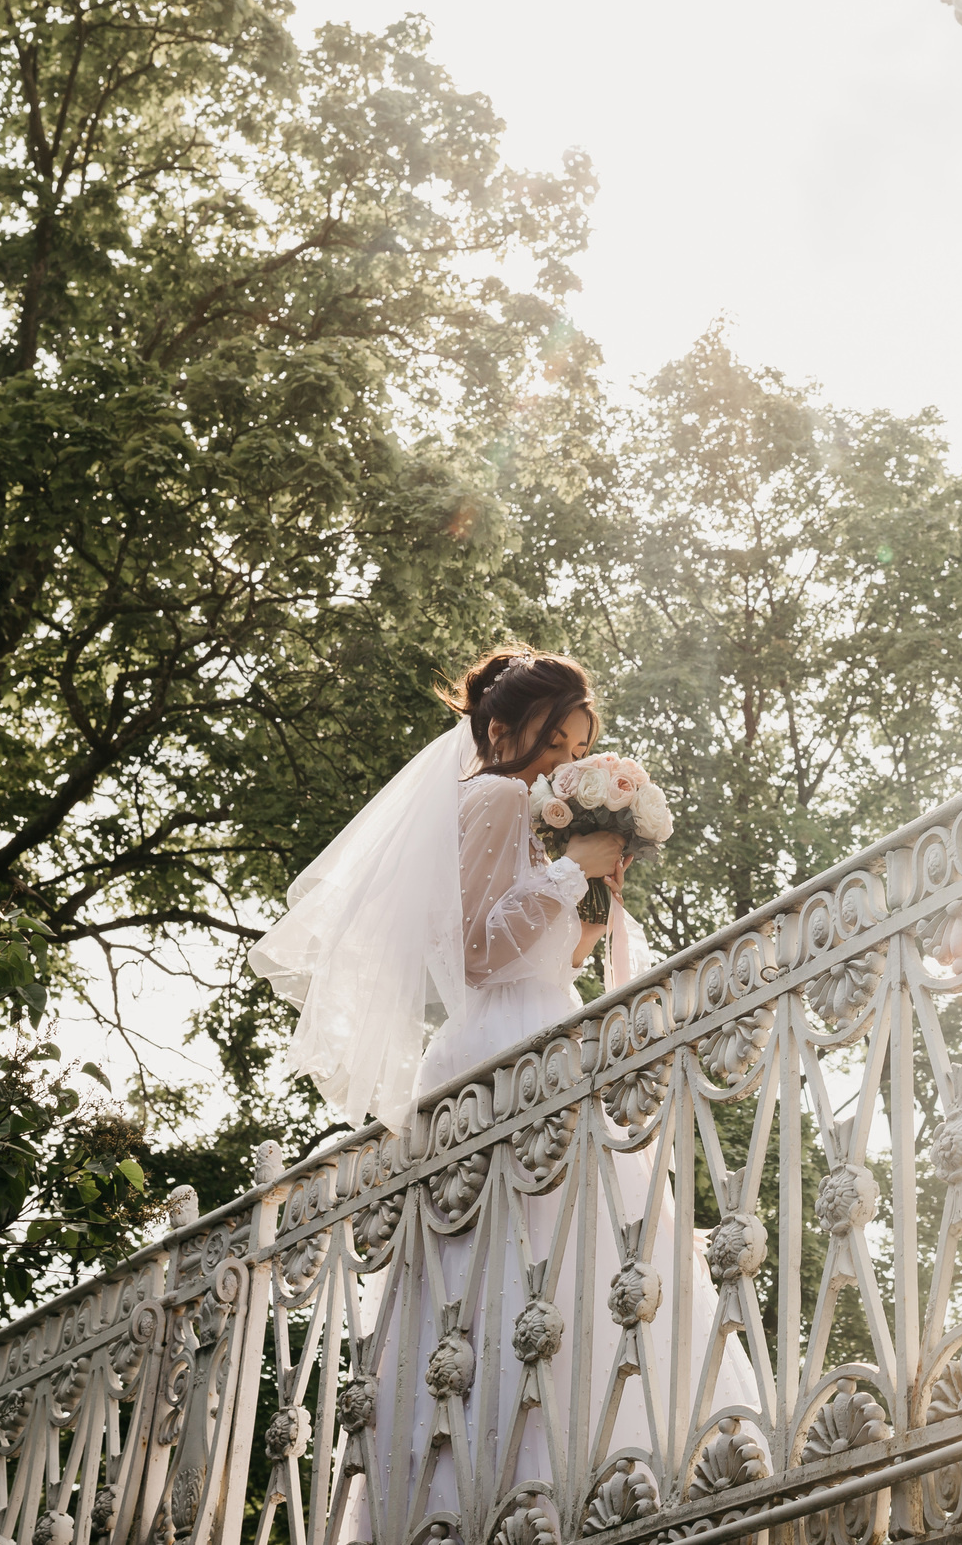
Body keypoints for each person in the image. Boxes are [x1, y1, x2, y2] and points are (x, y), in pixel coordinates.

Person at [251, 647, 758, 1540]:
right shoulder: (488, 798)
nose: (564, 757)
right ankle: (497, 1492)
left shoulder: (537, 814)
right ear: (500, 730)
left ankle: (586, 1475)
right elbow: (483, 955)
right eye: (553, 737)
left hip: (549, 1034)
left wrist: (594, 884)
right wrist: (573, 867)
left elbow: (550, 953)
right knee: (505, 1272)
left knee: (576, 1257)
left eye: (577, 742)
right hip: (497, 1047)